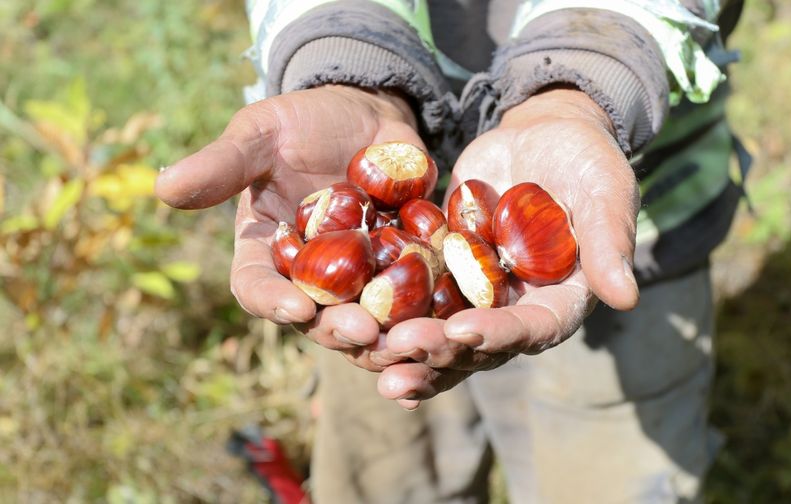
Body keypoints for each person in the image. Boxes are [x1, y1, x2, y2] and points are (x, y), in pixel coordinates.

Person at [156, 1, 748, 502]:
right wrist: (346, 54)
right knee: (388, 467)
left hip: (628, 218)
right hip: (399, 278)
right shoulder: (393, 240)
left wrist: (582, 80)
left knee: (608, 470)